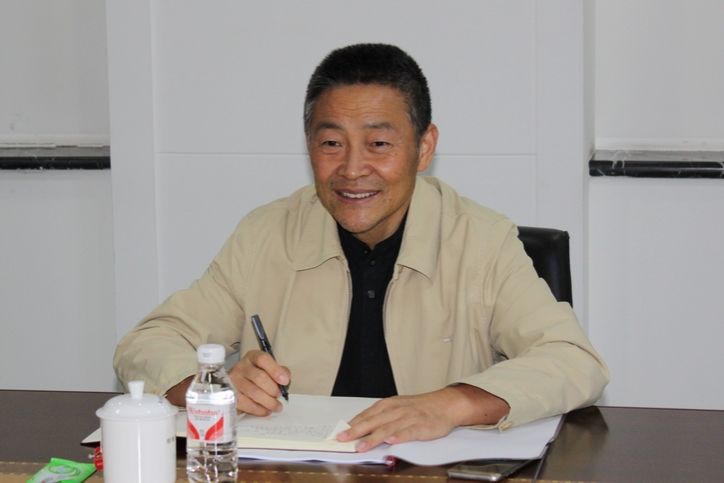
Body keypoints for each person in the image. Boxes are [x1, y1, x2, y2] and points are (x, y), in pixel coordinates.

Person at [114, 43, 608, 452]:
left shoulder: (481, 239)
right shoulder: (266, 233)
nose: (352, 169)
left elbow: (573, 361)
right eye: (331, 144)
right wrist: (209, 386)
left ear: (424, 147)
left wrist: (451, 403)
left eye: (379, 145)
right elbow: (149, 341)